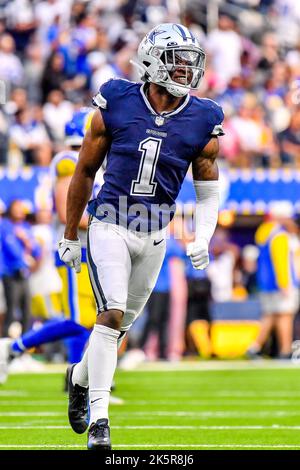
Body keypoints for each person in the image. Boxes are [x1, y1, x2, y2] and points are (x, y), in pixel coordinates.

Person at [59, 23, 224, 450]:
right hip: (109, 223)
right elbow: (84, 171)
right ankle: (100, 421)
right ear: (152, 61)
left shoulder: (203, 116)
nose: (186, 69)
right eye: (177, 59)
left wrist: (203, 236)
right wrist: (69, 233)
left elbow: (208, 190)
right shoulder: (116, 99)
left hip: (155, 234)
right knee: (110, 314)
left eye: (191, 61)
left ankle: (78, 377)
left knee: (118, 329)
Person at [247, 201, 300, 359]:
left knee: (270, 316)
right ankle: (285, 351)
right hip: (280, 283)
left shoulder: (264, 232)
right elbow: (281, 261)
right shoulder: (279, 235)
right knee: (285, 316)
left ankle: (255, 347)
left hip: (266, 284)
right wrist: (285, 284)